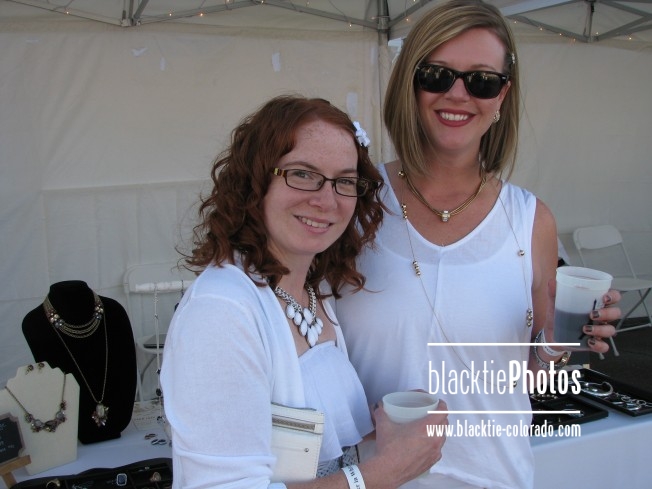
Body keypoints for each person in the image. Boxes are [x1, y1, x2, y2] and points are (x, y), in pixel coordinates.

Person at [335, 1, 621, 488]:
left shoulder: (530, 221)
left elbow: (529, 377)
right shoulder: (350, 202)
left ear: (502, 95)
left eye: (482, 81)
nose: (458, 94)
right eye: (437, 75)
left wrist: (558, 342)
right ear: (410, 82)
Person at [159, 95, 448, 489]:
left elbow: (319, 450)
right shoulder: (221, 311)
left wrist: (385, 424)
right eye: (302, 174)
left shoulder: (315, 291)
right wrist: (385, 472)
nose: (326, 200)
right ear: (256, 180)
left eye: (344, 181)